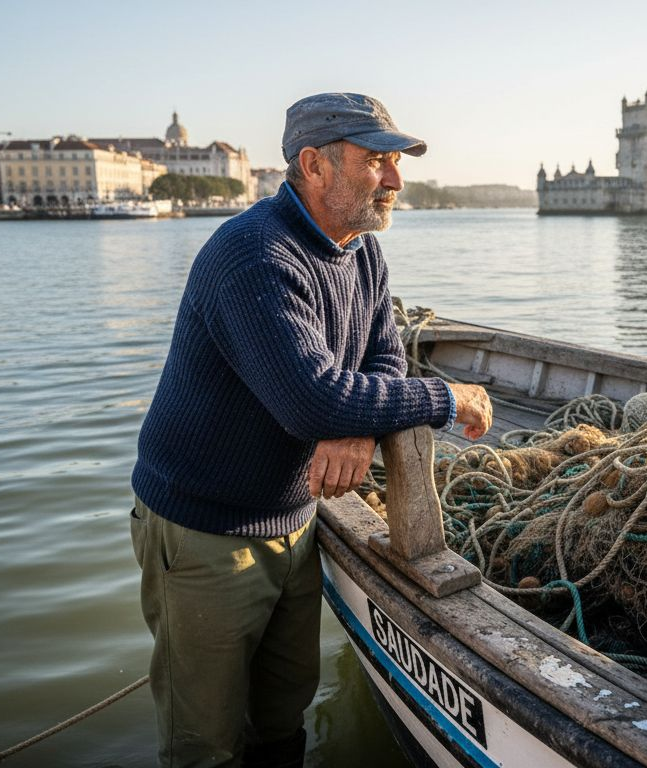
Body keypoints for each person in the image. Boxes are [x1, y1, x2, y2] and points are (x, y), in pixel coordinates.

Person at [129, 92, 492, 768]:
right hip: (206, 534)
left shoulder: (359, 250)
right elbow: (313, 400)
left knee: (282, 714)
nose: (394, 180)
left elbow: (381, 355)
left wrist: (352, 432)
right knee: (202, 744)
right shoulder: (254, 256)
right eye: (376, 162)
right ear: (313, 165)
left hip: (297, 519)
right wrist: (442, 398)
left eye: (394, 162)